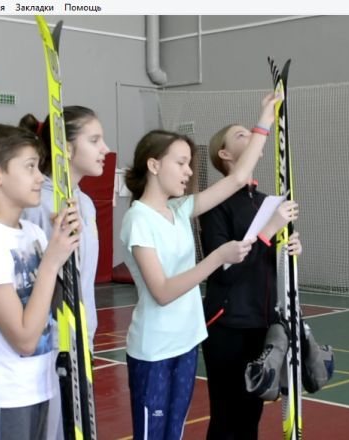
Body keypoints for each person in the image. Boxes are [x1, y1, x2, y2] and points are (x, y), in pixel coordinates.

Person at [119, 92, 281, 440]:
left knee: (174, 433)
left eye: (190, 163)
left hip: (187, 342)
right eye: (181, 163)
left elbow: (237, 177)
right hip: (154, 350)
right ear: (154, 165)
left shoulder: (179, 210)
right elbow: (162, 292)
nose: (189, 171)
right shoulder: (138, 220)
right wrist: (217, 258)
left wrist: (265, 120)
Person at [0, 123, 80, 440]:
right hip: (3, 399)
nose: (40, 177)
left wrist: (63, 244)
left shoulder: (32, 233)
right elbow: (24, 339)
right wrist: (50, 262)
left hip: (40, 388)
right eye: (29, 167)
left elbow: (51, 307)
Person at [200, 124, 303, 439]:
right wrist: (268, 230)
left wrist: (289, 249)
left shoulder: (267, 202)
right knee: (227, 417)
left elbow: (266, 261)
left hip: (262, 323)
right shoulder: (214, 204)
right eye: (241, 135)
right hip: (227, 325)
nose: (251, 136)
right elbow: (224, 271)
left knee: (250, 416)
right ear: (224, 154)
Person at [20, 106, 110, 352]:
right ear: (67, 148)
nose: (105, 149)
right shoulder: (37, 205)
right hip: (50, 343)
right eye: (94, 140)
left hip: (84, 335)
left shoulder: (86, 204)